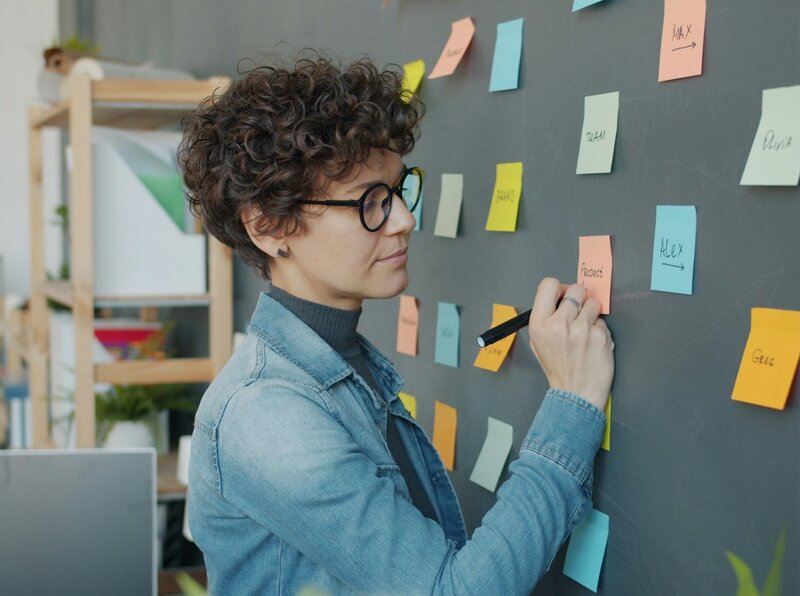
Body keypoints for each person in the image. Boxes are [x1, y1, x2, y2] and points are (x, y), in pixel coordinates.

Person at [179, 52, 614, 595]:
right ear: (269, 226)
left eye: (400, 189)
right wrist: (571, 403)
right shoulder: (268, 413)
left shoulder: (341, 365)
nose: (405, 220)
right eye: (370, 202)